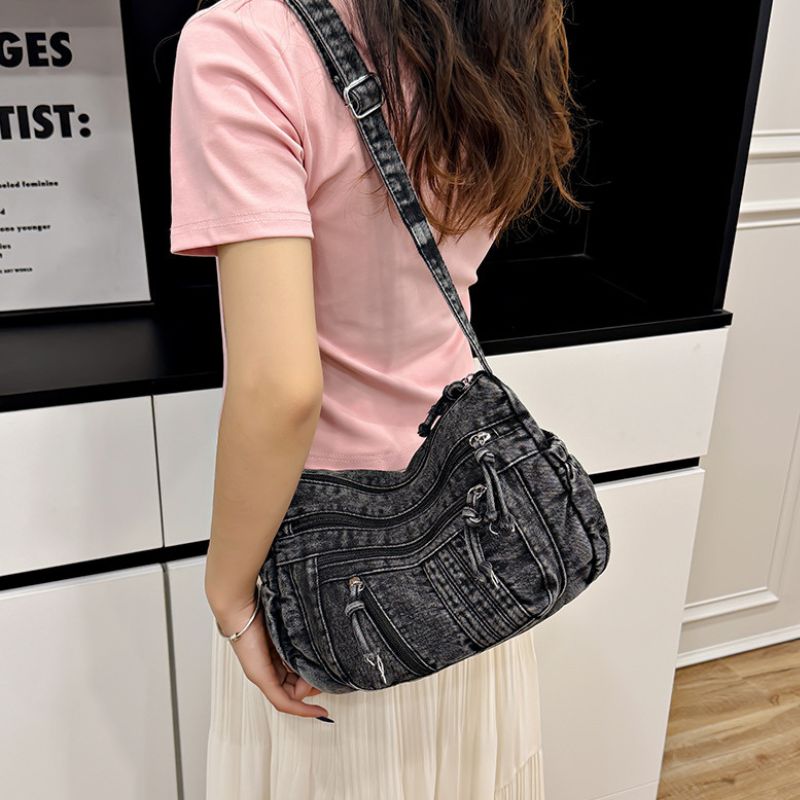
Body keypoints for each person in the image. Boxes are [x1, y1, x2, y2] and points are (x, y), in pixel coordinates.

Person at [169, 0, 585, 796]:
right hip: (476, 553)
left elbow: (281, 387)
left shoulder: (243, 43)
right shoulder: (487, 24)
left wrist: (228, 595)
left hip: (332, 582)